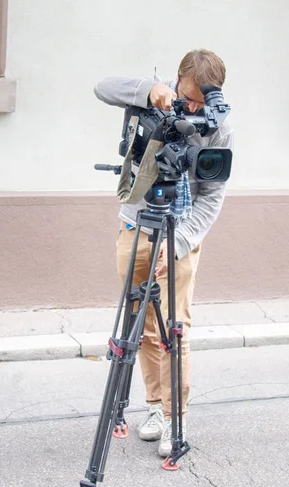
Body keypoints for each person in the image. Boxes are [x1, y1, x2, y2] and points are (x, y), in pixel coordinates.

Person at [93, 49, 234, 458]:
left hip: (181, 233)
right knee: (143, 326)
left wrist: (180, 242)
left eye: (201, 101)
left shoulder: (218, 126)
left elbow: (212, 197)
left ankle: (176, 417)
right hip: (136, 224)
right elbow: (102, 88)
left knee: (174, 329)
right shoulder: (155, 96)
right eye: (188, 97)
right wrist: (146, 90)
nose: (194, 107)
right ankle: (153, 407)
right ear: (176, 81)